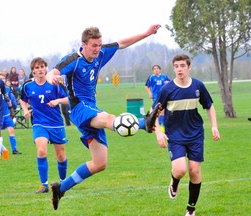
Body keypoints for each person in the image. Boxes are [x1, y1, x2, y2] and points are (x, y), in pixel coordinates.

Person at [47, 24, 162, 210]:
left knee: (100, 163)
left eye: (99, 45)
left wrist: (147, 34)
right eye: (94, 45)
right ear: (84, 44)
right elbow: (54, 71)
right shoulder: (73, 60)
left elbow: (122, 43)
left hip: (92, 107)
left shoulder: (100, 54)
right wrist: (52, 77)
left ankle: (61, 188)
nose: (97, 49)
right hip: (79, 108)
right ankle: (144, 123)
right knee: (108, 118)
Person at [153, 54, 220, 216]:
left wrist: (214, 127)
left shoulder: (198, 86)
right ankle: (174, 182)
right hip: (175, 135)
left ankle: (190, 209)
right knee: (180, 169)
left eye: (182, 65)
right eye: (176, 66)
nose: (179, 69)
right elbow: (153, 112)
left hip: (195, 134)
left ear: (189, 68)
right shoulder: (167, 89)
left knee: (195, 171)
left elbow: (209, 106)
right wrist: (159, 133)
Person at [20, 57, 69, 193]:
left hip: (56, 124)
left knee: (60, 155)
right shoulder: (27, 85)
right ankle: (44, 185)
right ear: (33, 71)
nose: (40, 69)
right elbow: (22, 99)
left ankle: (63, 182)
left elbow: (68, 99)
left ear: (46, 68)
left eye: (42, 66)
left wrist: (57, 101)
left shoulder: (54, 83)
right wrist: (25, 110)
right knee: (41, 151)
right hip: (39, 124)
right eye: (37, 67)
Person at [0, 73, 22, 155]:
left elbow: (9, 100)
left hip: (7, 114)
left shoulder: (7, 89)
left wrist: (12, 110)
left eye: (3, 78)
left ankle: (14, 150)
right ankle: (0, 150)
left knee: (11, 130)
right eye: (0, 78)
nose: (2, 79)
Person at [145, 64, 170, 131]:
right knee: (160, 110)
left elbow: (170, 83)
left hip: (164, 95)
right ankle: (159, 126)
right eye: (154, 69)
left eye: (157, 68)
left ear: (160, 69)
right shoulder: (151, 77)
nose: (156, 70)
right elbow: (146, 86)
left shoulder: (164, 76)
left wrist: (168, 83)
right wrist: (150, 93)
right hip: (156, 96)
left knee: (163, 111)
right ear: (153, 71)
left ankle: (159, 125)